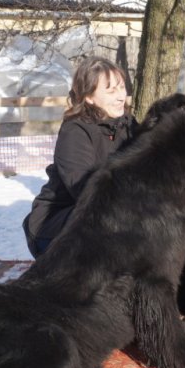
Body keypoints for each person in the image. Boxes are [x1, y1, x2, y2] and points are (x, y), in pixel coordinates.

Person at [23, 56, 136, 258]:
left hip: (105, 214)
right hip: (54, 226)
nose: (121, 96)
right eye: (111, 90)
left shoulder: (126, 123)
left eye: (121, 87)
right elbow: (85, 190)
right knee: (106, 217)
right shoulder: (75, 131)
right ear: (89, 97)